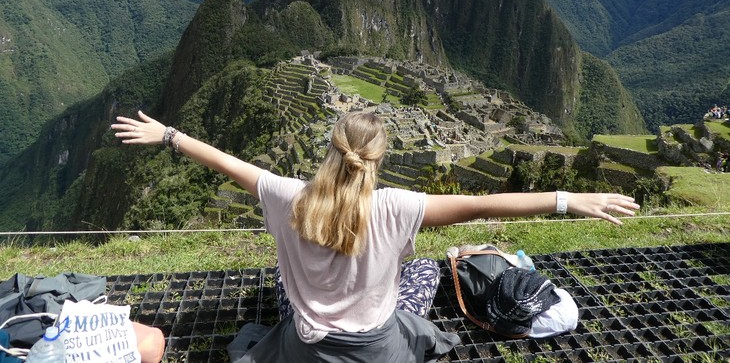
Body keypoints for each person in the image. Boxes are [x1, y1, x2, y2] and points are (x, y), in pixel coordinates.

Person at [112, 110, 640, 362]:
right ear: (377, 160)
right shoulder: (396, 207)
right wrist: (570, 201)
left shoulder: (286, 196)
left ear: (330, 150)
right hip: (377, 351)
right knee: (427, 270)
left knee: (283, 281)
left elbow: (228, 164)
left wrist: (170, 136)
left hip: (305, 347)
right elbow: (484, 204)